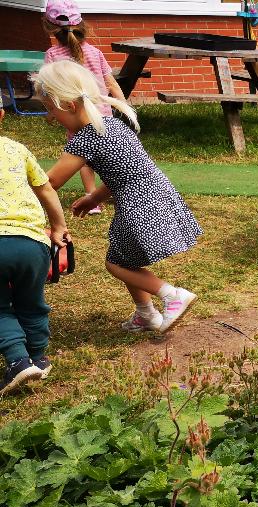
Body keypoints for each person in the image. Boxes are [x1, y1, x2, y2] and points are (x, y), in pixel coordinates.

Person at [36, 61, 198, 333]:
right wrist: (94, 197)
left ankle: (172, 295)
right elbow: (124, 171)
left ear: (68, 105)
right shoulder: (113, 125)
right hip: (156, 194)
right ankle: (146, 314)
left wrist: (16, 182)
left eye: (50, 109)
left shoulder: (85, 138)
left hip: (139, 204)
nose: (50, 118)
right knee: (126, 259)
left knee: (116, 263)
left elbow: (49, 182)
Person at [0, 107, 69, 395]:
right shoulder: (16, 149)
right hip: (32, 241)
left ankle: (17, 361)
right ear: (2, 115)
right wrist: (58, 227)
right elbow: (46, 190)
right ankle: (38, 357)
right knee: (31, 301)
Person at [42, 0, 125, 215]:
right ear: (82, 27)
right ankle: (116, 192)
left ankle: (92, 197)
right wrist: (123, 107)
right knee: (109, 155)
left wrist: (52, 111)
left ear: (50, 28)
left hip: (76, 114)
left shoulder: (53, 54)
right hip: (103, 114)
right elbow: (112, 83)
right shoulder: (95, 52)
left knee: (83, 157)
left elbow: (48, 88)